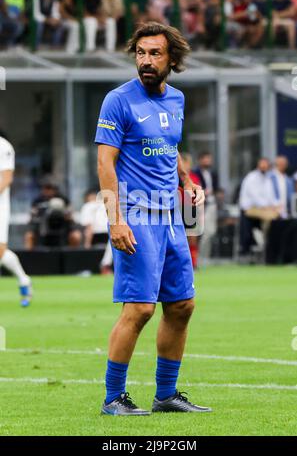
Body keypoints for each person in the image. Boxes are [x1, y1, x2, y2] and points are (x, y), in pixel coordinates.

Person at [95, 22, 211, 415]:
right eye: (141, 53)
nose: (145, 61)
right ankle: (113, 399)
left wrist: (188, 180)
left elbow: (169, 146)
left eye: (154, 54)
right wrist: (115, 219)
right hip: (135, 213)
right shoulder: (118, 100)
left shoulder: (176, 99)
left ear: (172, 60)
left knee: (182, 305)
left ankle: (166, 395)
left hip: (172, 216)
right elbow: (105, 161)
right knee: (140, 308)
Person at [0, 131, 32, 307]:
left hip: (0, 205)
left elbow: (6, 179)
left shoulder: (3, 146)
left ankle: (23, 279)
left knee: (0, 250)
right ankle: (24, 281)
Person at [24, 179, 82, 249]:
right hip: (42, 228)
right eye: (45, 188)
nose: (47, 191)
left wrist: (66, 215)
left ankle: (73, 256)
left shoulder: (64, 199)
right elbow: (32, 216)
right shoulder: (37, 201)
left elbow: (70, 214)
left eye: (50, 188)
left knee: (76, 235)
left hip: (63, 226)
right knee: (29, 236)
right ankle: (30, 258)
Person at [239, 158, 279, 256]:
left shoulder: (268, 179)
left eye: (266, 165)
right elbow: (255, 197)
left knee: (276, 218)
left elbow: (271, 197)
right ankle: (263, 244)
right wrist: (267, 207)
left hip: (262, 210)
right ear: (258, 165)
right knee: (271, 217)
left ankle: (268, 245)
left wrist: (275, 205)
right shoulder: (251, 177)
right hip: (249, 210)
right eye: (262, 164)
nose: (264, 167)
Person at [80, 189, 113, 274]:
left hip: (105, 233)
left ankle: (105, 265)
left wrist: (87, 244)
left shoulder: (89, 206)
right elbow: (89, 227)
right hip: (106, 232)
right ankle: (105, 266)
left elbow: (88, 227)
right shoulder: (91, 206)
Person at [193, 151, 218, 262]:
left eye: (209, 158)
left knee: (210, 231)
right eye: (205, 158)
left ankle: (204, 256)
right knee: (200, 231)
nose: (208, 161)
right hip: (200, 204)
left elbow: (216, 188)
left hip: (212, 204)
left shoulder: (213, 173)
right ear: (200, 160)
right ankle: (200, 257)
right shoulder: (195, 173)